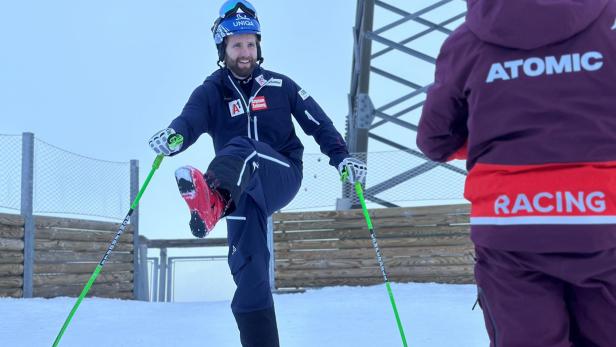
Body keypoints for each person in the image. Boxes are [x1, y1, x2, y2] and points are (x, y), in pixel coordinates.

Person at [148, 1, 367, 346]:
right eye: (237, 44)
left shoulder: (281, 86)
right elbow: (189, 120)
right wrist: (174, 136)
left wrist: (341, 158)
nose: (245, 52)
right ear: (223, 49)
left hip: (279, 172)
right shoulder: (212, 91)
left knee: (245, 148)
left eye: (251, 43)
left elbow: (318, 123)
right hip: (239, 194)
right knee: (249, 272)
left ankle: (212, 202)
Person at [416, 0, 616, 345]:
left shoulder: (467, 41)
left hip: (510, 223)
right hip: (604, 218)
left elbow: (435, 141)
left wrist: (488, 136)